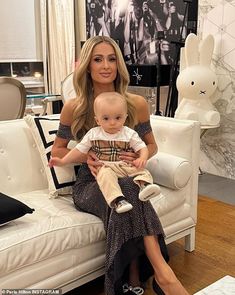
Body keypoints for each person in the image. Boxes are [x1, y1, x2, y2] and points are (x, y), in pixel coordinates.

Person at [51, 35, 189, 295]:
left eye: (112, 59)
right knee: (130, 192)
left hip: (125, 174)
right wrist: (86, 157)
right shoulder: (75, 107)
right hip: (92, 182)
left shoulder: (135, 103)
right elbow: (59, 149)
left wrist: (141, 157)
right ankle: (159, 275)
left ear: (118, 65)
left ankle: (137, 278)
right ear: (87, 66)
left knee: (128, 190)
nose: (106, 65)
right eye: (98, 59)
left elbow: (151, 145)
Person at [49, 91, 161, 214]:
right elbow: (78, 150)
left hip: (124, 165)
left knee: (141, 171)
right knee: (105, 177)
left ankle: (145, 186)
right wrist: (63, 161)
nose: (112, 123)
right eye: (106, 118)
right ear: (97, 120)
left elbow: (143, 147)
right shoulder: (93, 134)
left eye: (118, 118)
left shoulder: (129, 133)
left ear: (125, 117)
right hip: (105, 166)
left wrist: (142, 158)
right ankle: (118, 200)